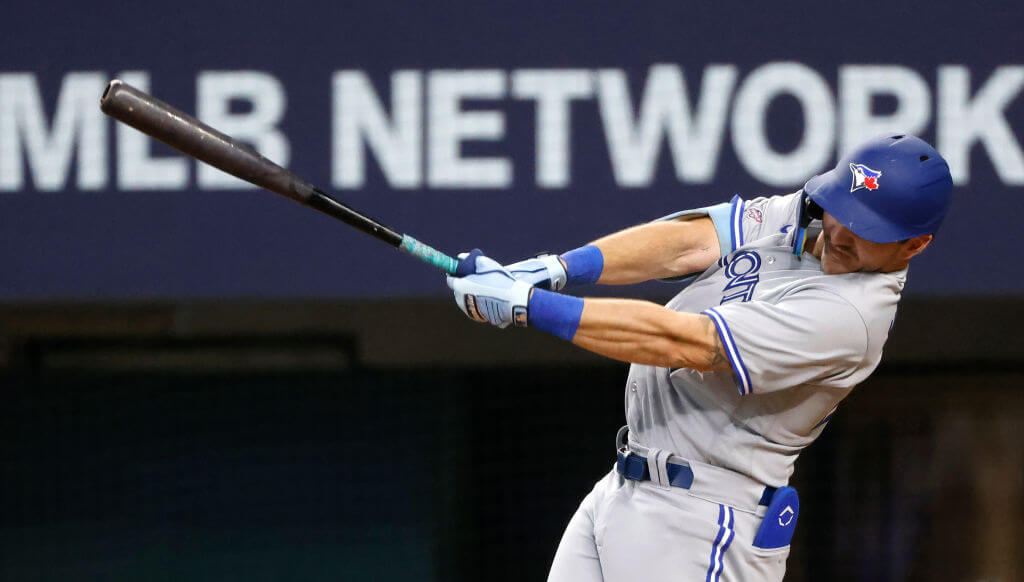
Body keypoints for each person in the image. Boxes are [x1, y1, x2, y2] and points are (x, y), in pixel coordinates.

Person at [445, 134, 953, 581]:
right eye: (844, 208)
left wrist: (529, 306)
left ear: (915, 245)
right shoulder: (808, 219)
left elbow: (684, 343)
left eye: (868, 228)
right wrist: (554, 270)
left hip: (703, 522)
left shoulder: (851, 317)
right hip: (625, 485)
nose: (841, 232)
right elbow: (688, 243)